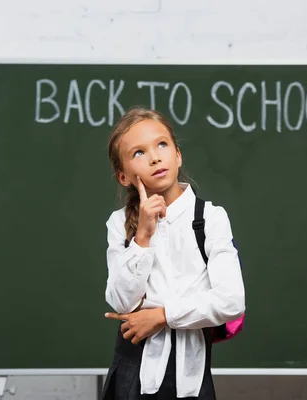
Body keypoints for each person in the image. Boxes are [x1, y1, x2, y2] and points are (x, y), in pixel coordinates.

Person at [101, 106, 245, 399]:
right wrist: (143, 235)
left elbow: (231, 301)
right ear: (123, 176)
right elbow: (121, 302)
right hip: (133, 367)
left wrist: (162, 316)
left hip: (189, 373)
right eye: (138, 153)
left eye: (162, 144)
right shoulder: (119, 223)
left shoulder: (210, 218)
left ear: (178, 155)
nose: (154, 157)